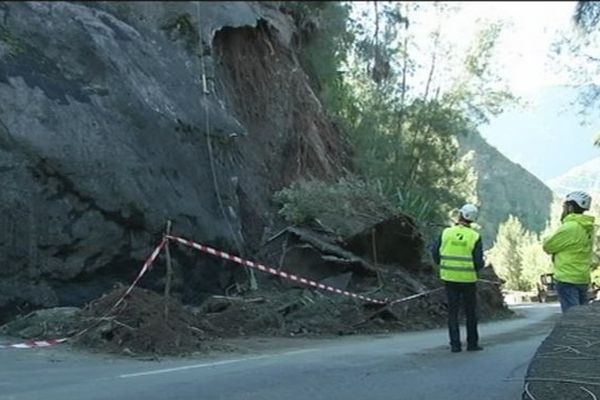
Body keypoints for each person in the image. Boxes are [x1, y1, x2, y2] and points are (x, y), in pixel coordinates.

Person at [431, 204, 485, 353]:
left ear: (460, 215)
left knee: (453, 313)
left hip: (449, 278)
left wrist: (443, 265)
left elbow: (435, 253)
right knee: (470, 313)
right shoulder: (474, 236)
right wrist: (475, 269)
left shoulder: (446, 233)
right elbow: (478, 261)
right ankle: (472, 344)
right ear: (473, 220)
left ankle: (455, 345)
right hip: (468, 279)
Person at [542, 191, 595, 313]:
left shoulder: (570, 227)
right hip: (582, 278)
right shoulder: (588, 228)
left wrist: (546, 239)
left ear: (570, 207)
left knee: (571, 318)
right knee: (582, 316)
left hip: (567, 278)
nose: (563, 209)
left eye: (564, 206)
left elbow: (548, 246)